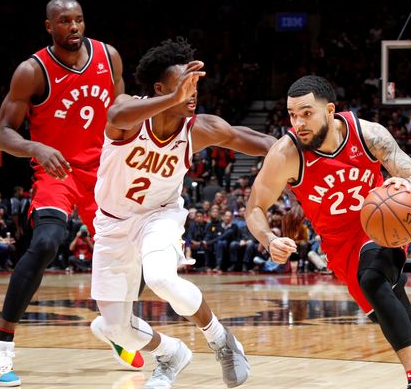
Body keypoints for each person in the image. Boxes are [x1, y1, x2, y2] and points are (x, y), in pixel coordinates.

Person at [246, 75, 411, 389]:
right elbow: (254, 207)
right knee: (410, 324)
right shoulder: (286, 154)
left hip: (381, 229)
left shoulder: (368, 135)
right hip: (339, 250)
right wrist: (269, 239)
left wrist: (407, 185)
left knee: (373, 279)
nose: (299, 122)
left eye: (307, 113)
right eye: (292, 114)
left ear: (329, 110)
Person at [89, 37, 274, 388]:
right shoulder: (129, 112)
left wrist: (307, 152)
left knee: (159, 277)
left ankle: (222, 341)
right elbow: (114, 115)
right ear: (160, 88)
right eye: (182, 86)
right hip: (112, 224)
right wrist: (172, 99)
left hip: (159, 216)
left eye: (194, 86)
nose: (191, 93)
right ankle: (171, 353)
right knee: (115, 328)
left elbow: (256, 141)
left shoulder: (199, 129)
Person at [0, 0, 137, 386]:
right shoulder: (31, 71)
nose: (75, 27)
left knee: (138, 255)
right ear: (49, 27)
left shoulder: (109, 56)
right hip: (58, 172)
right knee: (48, 242)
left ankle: (113, 326)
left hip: (103, 173)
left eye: (79, 20)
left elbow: (119, 112)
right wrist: (35, 147)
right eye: (65, 21)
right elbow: (2, 134)